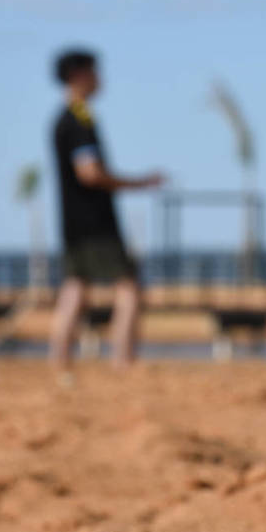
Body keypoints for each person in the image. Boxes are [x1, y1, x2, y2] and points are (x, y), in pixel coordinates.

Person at [48, 49, 164, 371]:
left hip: (72, 221)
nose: (100, 79)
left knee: (75, 287)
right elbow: (90, 173)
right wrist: (138, 183)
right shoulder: (79, 118)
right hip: (94, 221)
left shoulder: (64, 118)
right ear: (79, 75)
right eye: (95, 72)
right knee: (127, 286)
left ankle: (60, 360)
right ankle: (123, 359)